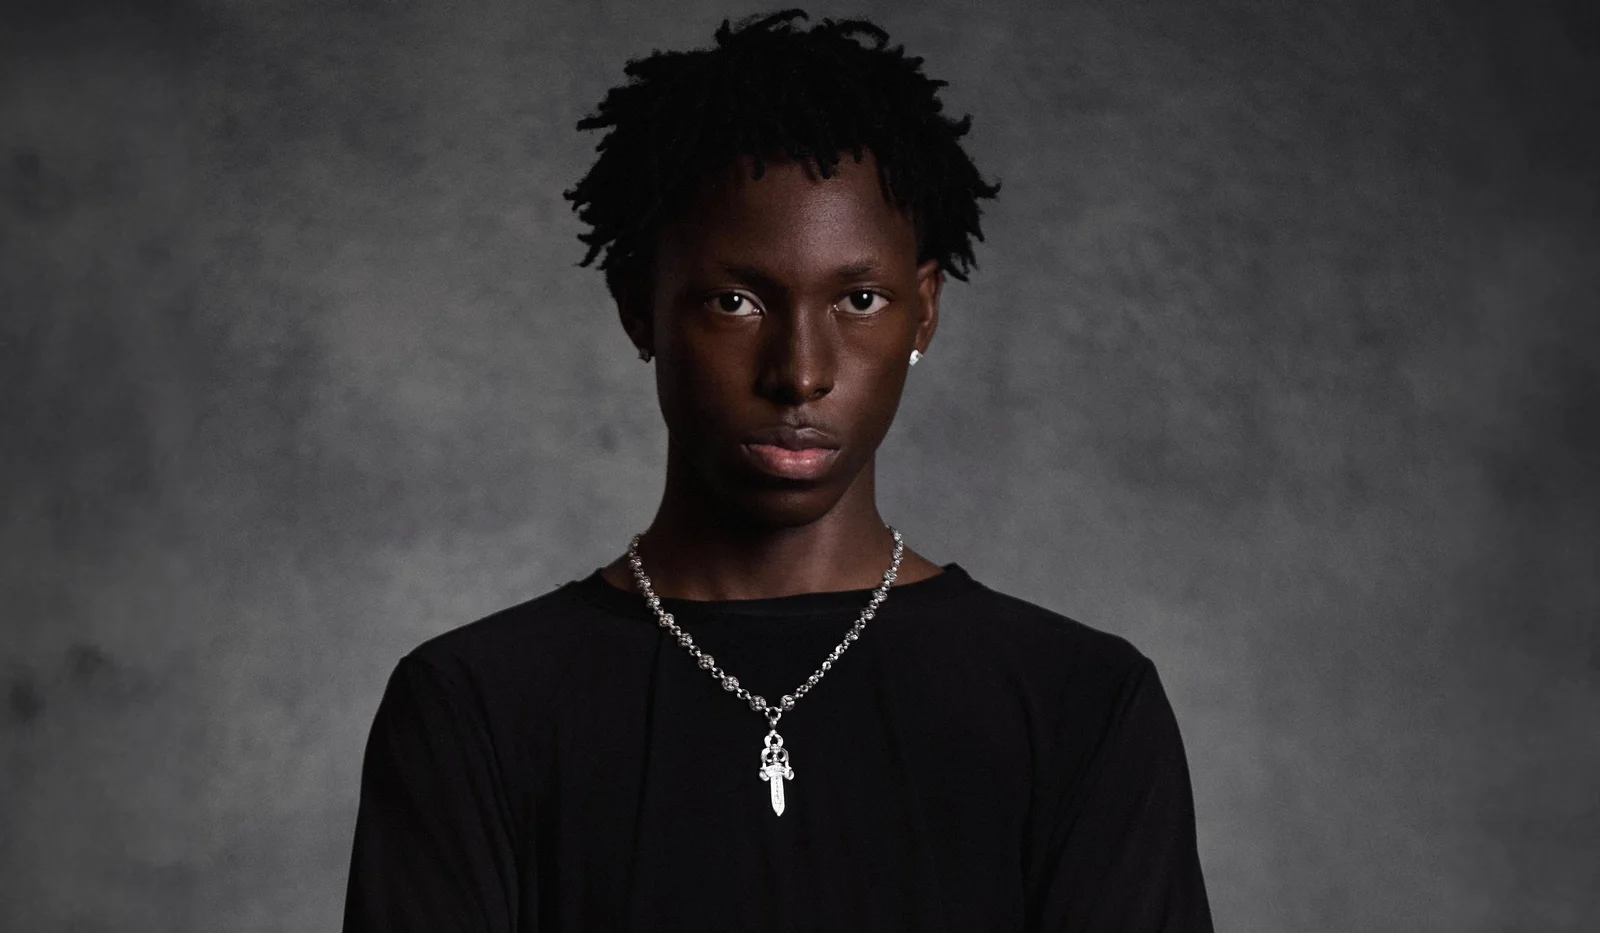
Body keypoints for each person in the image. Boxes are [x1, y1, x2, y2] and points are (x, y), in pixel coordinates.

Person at [343, 9, 1213, 931]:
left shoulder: (1080, 705)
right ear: (639, 305)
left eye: (860, 298)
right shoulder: (476, 709)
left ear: (923, 313)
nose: (800, 370)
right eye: (736, 300)